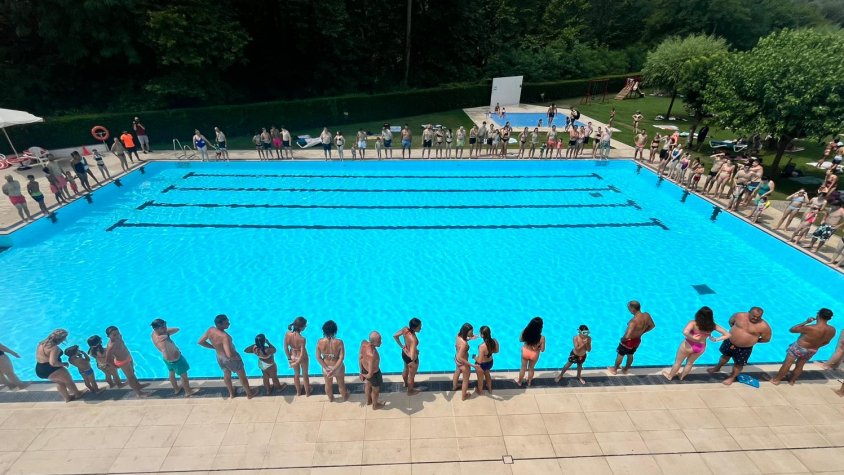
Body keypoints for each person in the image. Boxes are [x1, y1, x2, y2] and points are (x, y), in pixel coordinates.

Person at [662, 307, 730, 381]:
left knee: (678, 362)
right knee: (689, 363)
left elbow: (685, 332)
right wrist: (716, 339)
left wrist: (693, 338)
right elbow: (728, 335)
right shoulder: (713, 325)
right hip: (701, 347)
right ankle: (681, 376)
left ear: (699, 314)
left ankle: (670, 376)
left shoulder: (693, 323)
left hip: (688, 344)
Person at [707, 307, 771, 385]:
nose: (755, 318)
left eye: (758, 317)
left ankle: (732, 377)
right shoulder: (739, 316)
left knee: (738, 364)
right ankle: (717, 368)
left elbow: (766, 339)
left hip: (745, 348)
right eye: (753, 315)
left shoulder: (764, 326)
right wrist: (736, 333)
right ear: (749, 312)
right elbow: (731, 322)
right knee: (724, 356)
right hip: (730, 341)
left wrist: (751, 340)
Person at [772, 309, 836, 385]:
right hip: (812, 350)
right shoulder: (832, 330)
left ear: (818, 315)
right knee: (800, 365)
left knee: (788, 363)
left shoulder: (811, 328)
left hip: (799, 348)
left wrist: (806, 322)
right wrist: (816, 346)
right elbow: (826, 342)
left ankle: (776, 380)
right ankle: (792, 381)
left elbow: (792, 330)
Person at [198, 314, 254, 399]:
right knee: (241, 375)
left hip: (220, 357)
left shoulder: (210, 330)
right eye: (226, 323)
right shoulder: (224, 337)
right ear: (219, 324)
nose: (229, 324)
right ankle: (249, 394)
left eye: (228, 321)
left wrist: (214, 347)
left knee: (226, 374)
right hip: (230, 359)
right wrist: (236, 358)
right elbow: (229, 354)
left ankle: (231, 393)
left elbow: (200, 342)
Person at [151, 318, 198, 397]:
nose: (165, 328)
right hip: (175, 360)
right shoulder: (163, 339)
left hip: (168, 361)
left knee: (171, 373)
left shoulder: (154, 334)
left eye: (165, 326)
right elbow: (165, 353)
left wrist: (166, 332)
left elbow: (176, 329)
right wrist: (175, 358)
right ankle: (188, 392)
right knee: (184, 376)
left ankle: (176, 389)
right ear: (156, 329)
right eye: (163, 328)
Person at [35, 329, 84, 402]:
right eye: (65, 338)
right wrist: (63, 364)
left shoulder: (42, 343)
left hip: (39, 368)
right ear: (60, 339)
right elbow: (53, 363)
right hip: (51, 368)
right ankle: (78, 394)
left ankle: (67, 398)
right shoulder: (54, 348)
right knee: (68, 381)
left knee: (59, 382)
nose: (65, 339)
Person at [608, 301, 655, 375]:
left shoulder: (633, 322)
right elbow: (652, 326)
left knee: (620, 355)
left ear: (633, 309)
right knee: (630, 355)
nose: (628, 310)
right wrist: (642, 332)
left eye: (629, 308)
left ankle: (614, 369)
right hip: (637, 341)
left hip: (628, 342)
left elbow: (627, 336)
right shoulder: (647, 315)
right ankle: (626, 369)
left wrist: (622, 339)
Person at [105, 326, 151, 397]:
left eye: (118, 333)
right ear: (108, 336)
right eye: (114, 335)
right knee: (130, 377)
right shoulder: (111, 346)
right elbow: (107, 360)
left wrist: (129, 356)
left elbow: (123, 346)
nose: (117, 336)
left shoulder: (119, 336)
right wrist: (115, 366)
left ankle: (138, 385)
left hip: (128, 357)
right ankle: (139, 393)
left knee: (132, 372)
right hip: (122, 362)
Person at [316, 320, 348, 402]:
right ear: (335, 330)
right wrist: (334, 369)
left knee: (328, 385)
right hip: (338, 366)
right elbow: (341, 357)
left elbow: (318, 357)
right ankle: (345, 397)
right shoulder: (339, 342)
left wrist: (326, 368)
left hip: (326, 367)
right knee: (341, 384)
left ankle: (331, 399)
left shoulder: (320, 342)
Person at [393, 318, 422, 395]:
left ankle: (406, 384)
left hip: (404, 354)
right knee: (411, 376)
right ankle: (410, 391)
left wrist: (402, 347)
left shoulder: (405, 329)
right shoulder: (413, 340)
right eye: (419, 327)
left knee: (405, 369)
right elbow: (412, 357)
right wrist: (416, 353)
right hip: (411, 359)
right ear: (414, 328)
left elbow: (395, 336)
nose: (420, 328)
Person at [284, 316, 311, 396]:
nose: (306, 326)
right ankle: (307, 392)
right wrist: (297, 363)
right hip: (301, 358)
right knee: (305, 375)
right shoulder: (302, 339)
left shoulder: (287, 334)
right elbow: (302, 354)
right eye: (305, 325)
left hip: (292, 356)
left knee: (296, 375)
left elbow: (285, 348)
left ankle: (298, 392)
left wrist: (289, 359)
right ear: (301, 327)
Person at [516, 316, 545, 387]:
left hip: (525, 351)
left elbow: (520, 340)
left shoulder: (525, 331)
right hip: (534, 354)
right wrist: (537, 347)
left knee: (523, 367)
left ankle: (519, 382)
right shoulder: (542, 338)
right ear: (540, 327)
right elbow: (542, 350)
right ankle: (529, 382)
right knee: (531, 368)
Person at [359, 331, 384, 409]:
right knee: (375, 390)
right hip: (374, 374)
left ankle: (369, 401)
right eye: (379, 341)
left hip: (364, 369)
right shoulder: (372, 355)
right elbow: (370, 374)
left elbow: (360, 357)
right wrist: (363, 375)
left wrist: (361, 371)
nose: (381, 342)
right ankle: (375, 405)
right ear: (373, 342)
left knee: (368, 384)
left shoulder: (363, 343)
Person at [452, 323, 476, 400]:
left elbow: (458, 354)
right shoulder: (464, 344)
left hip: (456, 360)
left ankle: (454, 386)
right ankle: (464, 396)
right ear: (466, 332)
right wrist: (472, 365)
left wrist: (470, 338)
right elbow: (461, 357)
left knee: (457, 371)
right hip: (463, 363)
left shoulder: (458, 336)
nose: (472, 333)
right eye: (471, 332)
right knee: (465, 380)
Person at [473, 326, 498, 396]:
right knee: (487, 375)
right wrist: (489, 352)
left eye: (480, 333)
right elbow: (497, 351)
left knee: (480, 380)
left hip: (482, 365)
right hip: (490, 363)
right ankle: (490, 390)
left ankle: (480, 392)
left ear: (482, 335)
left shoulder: (482, 346)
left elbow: (480, 361)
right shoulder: (495, 341)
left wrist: (475, 357)